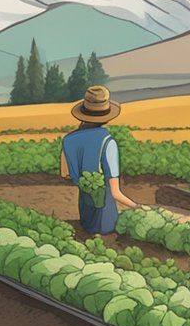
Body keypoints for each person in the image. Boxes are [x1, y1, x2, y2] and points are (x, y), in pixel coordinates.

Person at [59, 85, 139, 234]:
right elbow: (115, 193)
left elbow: (66, 174)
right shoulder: (108, 142)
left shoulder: (68, 140)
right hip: (104, 218)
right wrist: (138, 208)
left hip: (85, 211)